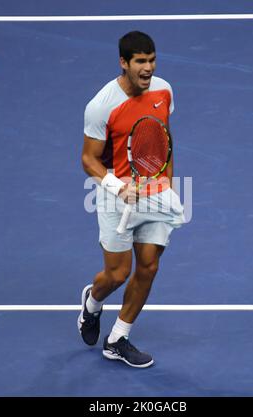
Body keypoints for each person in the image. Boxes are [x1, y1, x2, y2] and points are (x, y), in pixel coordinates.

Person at [78, 31, 184, 368]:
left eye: (152, 60)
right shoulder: (101, 105)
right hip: (116, 196)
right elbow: (88, 159)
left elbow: (162, 135)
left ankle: (117, 338)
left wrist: (166, 179)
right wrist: (118, 187)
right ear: (124, 63)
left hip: (154, 193)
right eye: (140, 61)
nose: (148, 68)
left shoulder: (164, 90)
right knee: (117, 274)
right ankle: (92, 302)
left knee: (149, 266)